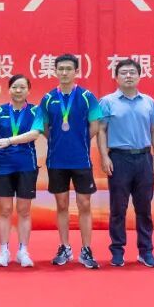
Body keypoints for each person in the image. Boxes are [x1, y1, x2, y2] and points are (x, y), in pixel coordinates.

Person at [97, 58, 154, 268]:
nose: (128, 76)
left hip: (144, 159)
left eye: (132, 72)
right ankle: (117, 251)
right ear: (116, 78)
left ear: (139, 76)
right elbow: (101, 131)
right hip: (119, 159)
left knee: (144, 208)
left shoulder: (148, 102)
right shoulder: (107, 102)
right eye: (124, 73)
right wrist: (104, 156)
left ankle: (146, 251)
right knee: (118, 208)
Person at [40, 53, 103, 269]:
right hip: (56, 161)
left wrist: (79, 141)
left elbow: (95, 126)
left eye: (69, 69)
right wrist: (58, 141)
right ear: (55, 71)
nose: (64, 72)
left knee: (84, 204)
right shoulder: (48, 98)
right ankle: (65, 247)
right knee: (62, 205)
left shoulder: (87, 97)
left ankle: (86, 249)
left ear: (76, 71)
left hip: (81, 160)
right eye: (61, 69)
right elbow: (44, 127)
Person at [0, 74, 44, 268]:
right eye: (14, 87)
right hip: (3, 166)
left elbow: (34, 134)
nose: (18, 91)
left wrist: (10, 140)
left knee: (24, 210)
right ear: (9, 89)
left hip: (26, 166)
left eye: (22, 87)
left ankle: (23, 251)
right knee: (5, 210)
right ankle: (3, 250)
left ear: (28, 90)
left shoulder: (36, 110)